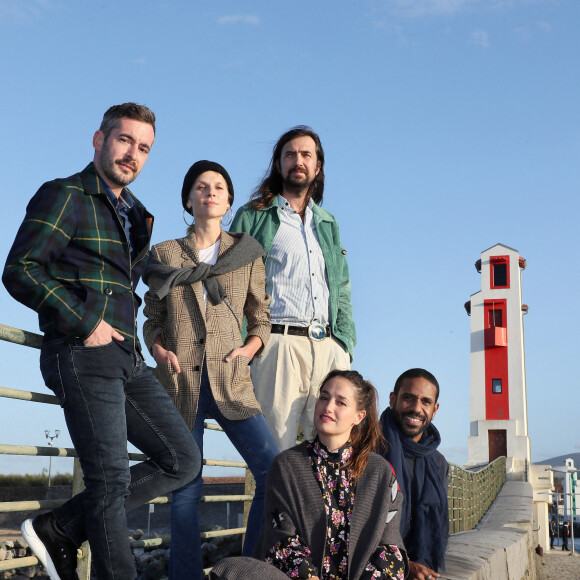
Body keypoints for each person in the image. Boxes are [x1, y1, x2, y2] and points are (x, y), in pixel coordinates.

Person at [2, 103, 201, 580]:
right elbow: (20, 269)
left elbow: (132, 284)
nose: (133, 154)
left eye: (144, 148)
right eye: (125, 140)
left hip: (128, 358)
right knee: (109, 480)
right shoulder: (66, 195)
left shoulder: (137, 215)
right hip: (81, 349)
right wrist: (84, 322)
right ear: (99, 139)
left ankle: (61, 527)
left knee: (184, 460)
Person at [142, 160, 279, 580]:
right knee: (186, 489)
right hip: (180, 382)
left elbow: (261, 317)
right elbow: (153, 318)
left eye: (219, 187)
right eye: (201, 187)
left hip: (231, 381)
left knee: (272, 473)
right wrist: (159, 349)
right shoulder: (165, 254)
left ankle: (246, 569)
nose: (210, 192)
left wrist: (249, 348)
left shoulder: (246, 253)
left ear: (229, 200)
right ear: (189, 199)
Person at [209, 369, 409, 580]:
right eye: (324, 397)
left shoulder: (380, 472)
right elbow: (282, 540)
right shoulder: (286, 465)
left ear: (359, 416)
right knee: (228, 568)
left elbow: (390, 549)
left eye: (340, 402)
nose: (328, 406)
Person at [229, 126, 356, 451]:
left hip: (328, 350)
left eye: (306, 155)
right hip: (277, 346)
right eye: (290, 154)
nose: (298, 161)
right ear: (278, 164)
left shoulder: (328, 222)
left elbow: (341, 287)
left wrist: (345, 347)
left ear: (317, 166)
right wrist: (248, 346)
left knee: (333, 457)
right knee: (276, 457)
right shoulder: (253, 216)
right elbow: (231, 282)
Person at [380, 368, 449, 580]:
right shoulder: (370, 449)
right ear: (393, 399)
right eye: (408, 398)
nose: (416, 408)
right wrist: (403, 566)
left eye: (426, 402)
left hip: (422, 567)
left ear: (435, 409)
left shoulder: (439, 463)